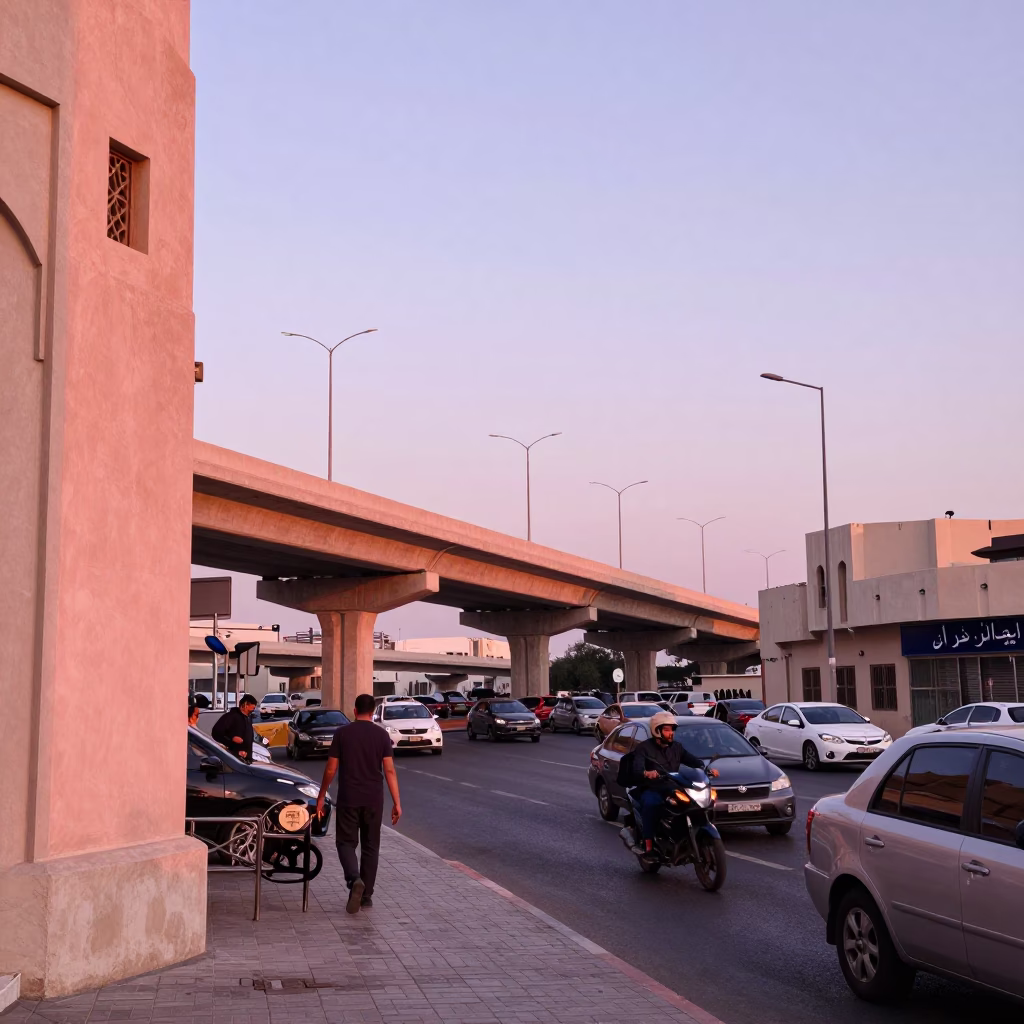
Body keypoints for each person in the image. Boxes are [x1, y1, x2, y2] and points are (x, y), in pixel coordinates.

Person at [316, 692, 401, 915]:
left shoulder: (342, 733)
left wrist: (321, 795)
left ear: (354, 711)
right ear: (373, 713)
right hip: (374, 799)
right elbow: (389, 770)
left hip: (348, 798)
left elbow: (331, 769)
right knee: (371, 846)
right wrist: (397, 802)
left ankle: (354, 879)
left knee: (345, 843)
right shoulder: (382, 735)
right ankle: (367, 896)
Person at [629, 711, 716, 854]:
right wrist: (646, 773)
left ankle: (681, 835)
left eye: (672, 730)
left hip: (673, 787)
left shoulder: (677, 747)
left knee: (693, 803)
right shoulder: (644, 748)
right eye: (667, 730)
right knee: (651, 805)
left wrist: (705, 768)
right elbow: (637, 769)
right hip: (653, 788)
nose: (671, 733)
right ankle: (648, 844)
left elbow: (691, 760)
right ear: (657, 731)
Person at [211, 693, 257, 762]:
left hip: (246, 759)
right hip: (234, 760)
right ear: (245, 705)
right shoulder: (231, 716)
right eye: (251, 709)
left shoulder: (248, 718)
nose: (253, 710)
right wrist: (231, 738)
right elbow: (216, 733)